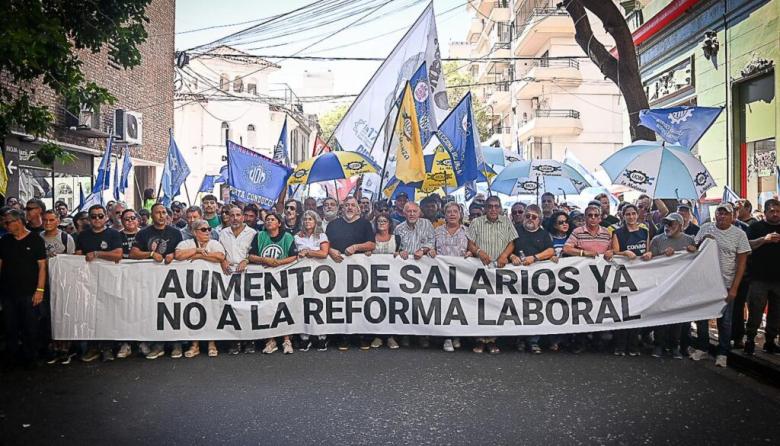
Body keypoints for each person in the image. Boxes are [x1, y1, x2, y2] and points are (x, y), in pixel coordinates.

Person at [692, 203, 751, 367]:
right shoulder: (705, 228)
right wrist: (703, 241)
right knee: (702, 318)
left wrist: (734, 288)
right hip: (704, 282)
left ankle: (723, 352)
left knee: (724, 320)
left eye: (726, 214)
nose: (722, 216)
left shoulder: (739, 234)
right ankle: (702, 348)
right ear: (715, 214)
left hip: (725, 283)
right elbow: (694, 249)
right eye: (719, 212)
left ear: (733, 216)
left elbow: (741, 263)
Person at [130, 203, 184, 360]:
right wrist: (151, 254)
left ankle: (177, 343)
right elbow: (133, 253)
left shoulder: (176, 233)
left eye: (163, 212)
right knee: (155, 310)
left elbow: (181, 252)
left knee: (175, 310)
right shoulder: (143, 234)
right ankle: (158, 344)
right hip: (150, 280)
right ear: (151, 216)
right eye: (157, 213)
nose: (161, 215)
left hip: (173, 280)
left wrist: (173, 255)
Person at [466, 196, 517, 354]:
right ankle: (480, 340)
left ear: (500, 208)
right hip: (480, 269)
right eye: (490, 206)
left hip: (500, 270)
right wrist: (479, 252)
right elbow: (470, 244)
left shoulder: (507, 222)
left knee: (496, 305)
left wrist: (505, 255)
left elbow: (512, 242)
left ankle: (493, 340)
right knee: (480, 306)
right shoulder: (476, 223)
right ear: (485, 208)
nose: (493, 209)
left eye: (496, 206)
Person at [75, 204, 124, 362]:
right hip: (88, 281)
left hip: (108, 280)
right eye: (94, 216)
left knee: (108, 313)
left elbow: (118, 255)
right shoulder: (82, 236)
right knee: (90, 313)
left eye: (100, 216)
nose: (97, 219)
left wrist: (97, 254)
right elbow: (77, 256)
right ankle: (92, 346)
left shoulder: (114, 234)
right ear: (89, 219)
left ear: (106, 217)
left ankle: (107, 347)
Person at [326, 196, 376, 350]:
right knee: (341, 302)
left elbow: (371, 244)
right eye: (346, 205)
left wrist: (355, 247)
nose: (349, 208)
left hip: (359, 272)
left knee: (359, 302)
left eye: (353, 205)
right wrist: (330, 250)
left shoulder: (365, 224)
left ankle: (363, 336)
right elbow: (323, 243)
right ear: (342, 208)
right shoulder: (332, 224)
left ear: (358, 209)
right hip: (337, 270)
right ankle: (343, 336)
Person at [0, 209, 47, 368]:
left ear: (18, 222)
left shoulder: (35, 240)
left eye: (8, 222)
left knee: (30, 326)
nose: (5, 226)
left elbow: (42, 267)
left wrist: (39, 290)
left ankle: (31, 357)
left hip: (29, 292)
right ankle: (12, 357)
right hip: (8, 293)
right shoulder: (4, 240)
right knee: (10, 326)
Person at [563, 204, 612, 353]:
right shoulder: (578, 232)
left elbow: (613, 249)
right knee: (583, 308)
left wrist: (611, 252)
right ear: (585, 217)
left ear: (600, 217)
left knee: (599, 307)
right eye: (589, 215)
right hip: (582, 278)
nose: (592, 218)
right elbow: (567, 248)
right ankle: (580, 341)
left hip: (601, 278)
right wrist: (584, 253)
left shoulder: (607, 233)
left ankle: (597, 341)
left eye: (596, 215)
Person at [649, 213, 698, 359]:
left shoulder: (689, 240)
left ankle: (675, 346)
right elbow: (649, 262)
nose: (667, 227)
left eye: (671, 224)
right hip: (662, 284)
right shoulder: (657, 240)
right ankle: (658, 345)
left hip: (680, 285)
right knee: (660, 315)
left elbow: (697, 260)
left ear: (681, 226)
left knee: (677, 317)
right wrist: (662, 256)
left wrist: (694, 251)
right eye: (665, 224)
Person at [175, 219, 226, 358]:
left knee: (212, 311)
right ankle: (195, 345)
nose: (207, 232)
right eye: (203, 230)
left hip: (211, 284)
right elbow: (178, 255)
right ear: (194, 232)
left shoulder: (215, 243)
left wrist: (197, 256)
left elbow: (220, 256)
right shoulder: (187, 243)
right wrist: (196, 250)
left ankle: (212, 343)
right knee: (194, 313)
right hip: (191, 286)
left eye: (209, 229)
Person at [249, 212, 298, 354]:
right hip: (264, 277)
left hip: (283, 276)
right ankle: (270, 340)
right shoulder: (260, 236)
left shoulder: (287, 237)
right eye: (267, 220)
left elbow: (294, 256)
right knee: (267, 307)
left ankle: (286, 340)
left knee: (284, 307)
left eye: (272, 219)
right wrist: (265, 260)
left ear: (279, 223)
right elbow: (251, 255)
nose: (269, 221)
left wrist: (278, 263)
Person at [607, 204, 652, 357]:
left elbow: (647, 250)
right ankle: (620, 345)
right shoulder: (618, 233)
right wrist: (624, 253)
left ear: (637, 215)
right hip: (623, 276)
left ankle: (633, 345)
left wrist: (649, 254)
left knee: (636, 311)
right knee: (622, 310)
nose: (631, 217)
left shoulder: (644, 232)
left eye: (633, 214)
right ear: (623, 216)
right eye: (628, 214)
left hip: (640, 276)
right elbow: (615, 252)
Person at [510, 204, 555, 354]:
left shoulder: (544, 234)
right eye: (527, 216)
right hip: (517, 278)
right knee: (517, 308)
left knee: (536, 308)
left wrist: (535, 258)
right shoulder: (515, 232)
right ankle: (519, 339)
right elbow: (507, 249)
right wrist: (513, 256)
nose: (530, 219)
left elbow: (550, 251)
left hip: (537, 278)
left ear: (539, 220)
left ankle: (533, 340)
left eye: (534, 217)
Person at [429, 202, 469, 352]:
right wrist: (431, 251)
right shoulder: (437, 231)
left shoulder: (467, 231)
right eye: (449, 212)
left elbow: (472, 247)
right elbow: (430, 246)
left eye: (455, 211)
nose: (452, 214)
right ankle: (447, 337)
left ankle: (457, 335)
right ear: (444, 215)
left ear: (460, 214)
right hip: (441, 274)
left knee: (459, 306)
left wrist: (470, 253)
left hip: (461, 275)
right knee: (445, 306)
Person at [394, 201, 435, 349]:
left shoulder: (427, 224)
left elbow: (432, 242)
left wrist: (424, 250)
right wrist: (400, 252)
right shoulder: (398, 229)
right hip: (405, 272)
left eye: (414, 211)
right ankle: (406, 334)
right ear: (404, 213)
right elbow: (396, 248)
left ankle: (423, 335)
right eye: (408, 211)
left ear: (419, 213)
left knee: (423, 303)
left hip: (424, 271)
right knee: (406, 303)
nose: (411, 214)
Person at [217, 204, 256, 354]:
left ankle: (249, 340)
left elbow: (254, 252)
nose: (235, 218)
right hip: (228, 274)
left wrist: (246, 260)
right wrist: (222, 261)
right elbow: (220, 251)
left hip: (248, 273)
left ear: (243, 217)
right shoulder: (223, 233)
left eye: (238, 215)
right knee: (232, 307)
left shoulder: (252, 233)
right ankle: (235, 340)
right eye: (232, 215)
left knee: (248, 307)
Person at [744, 198, 780, 355]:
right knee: (756, 312)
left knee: (776, 313)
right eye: (772, 211)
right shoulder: (756, 227)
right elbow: (746, 245)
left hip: (778, 280)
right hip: (759, 279)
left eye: (778, 211)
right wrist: (764, 240)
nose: (775, 214)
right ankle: (750, 340)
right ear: (765, 212)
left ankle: (770, 341)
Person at [294, 210, 330, 351]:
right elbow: (298, 253)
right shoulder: (297, 237)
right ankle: (305, 337)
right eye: (305, 219)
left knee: (320, 304)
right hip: (303, 276)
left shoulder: (321, 235)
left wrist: (309, 252)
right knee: (305, 304)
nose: (307, 221)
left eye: (310, 219)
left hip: (321, 275)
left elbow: (324, 253)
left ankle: (322, 336)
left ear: (316, 221)